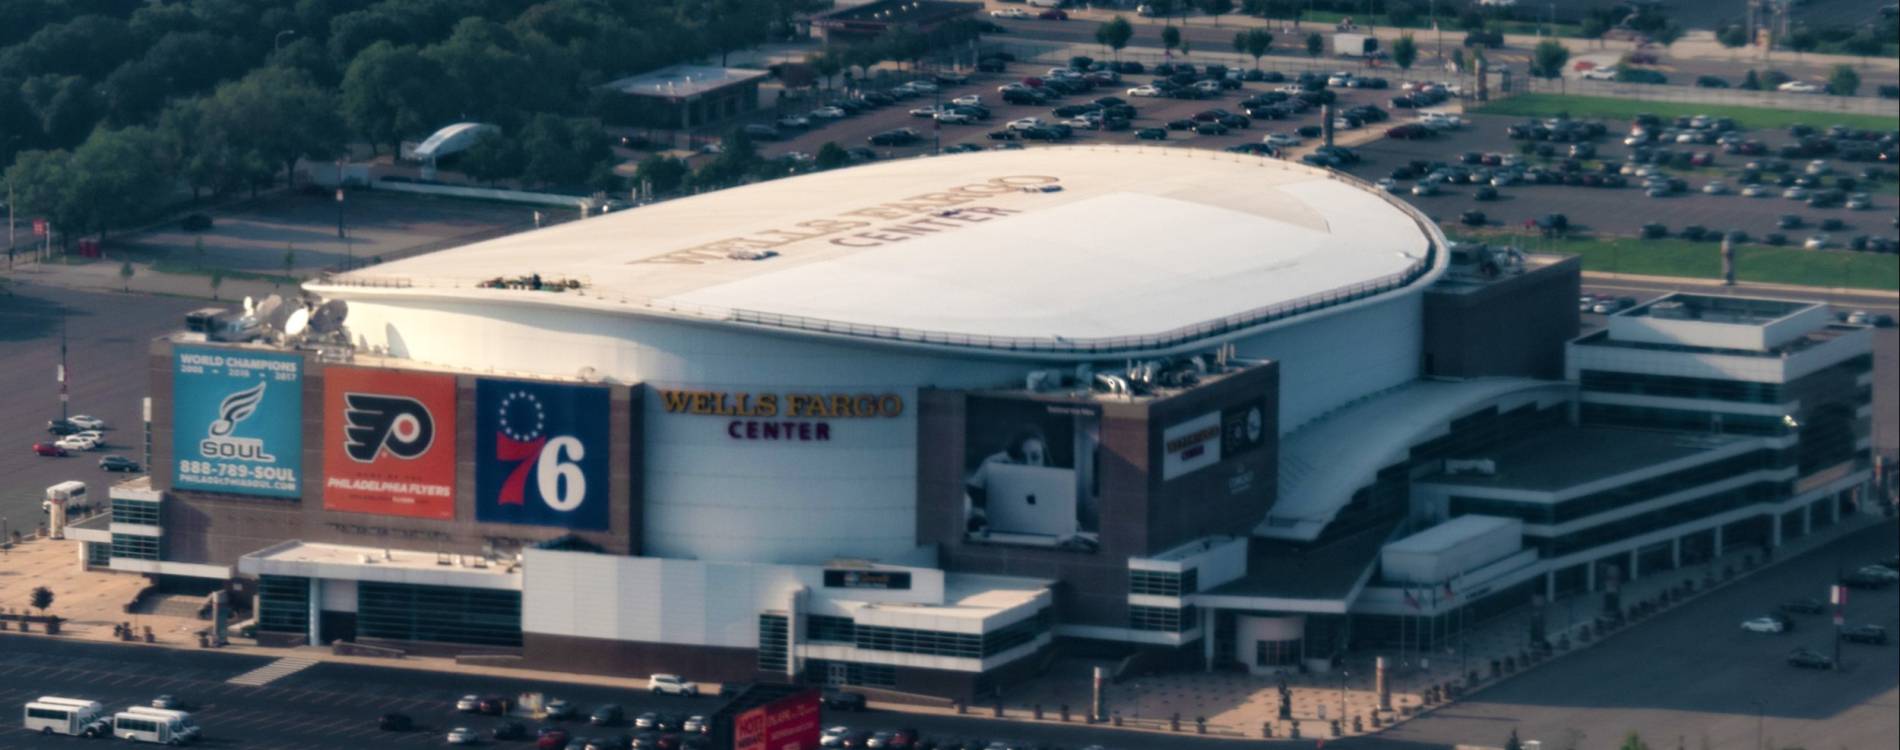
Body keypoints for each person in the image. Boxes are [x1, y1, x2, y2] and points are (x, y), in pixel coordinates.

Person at [964, 426, 1049, 536]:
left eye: (1035, 457)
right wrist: (988, 465)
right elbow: (974, 498)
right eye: (1021, 457)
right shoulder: (1000, 477)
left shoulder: (1054, 485)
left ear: (1044, 458)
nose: (1028, 464)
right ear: (1012, 458)